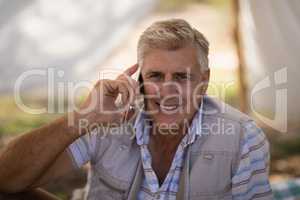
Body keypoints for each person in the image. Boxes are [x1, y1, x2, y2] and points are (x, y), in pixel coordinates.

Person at [0, 19, 272, 200]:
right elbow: (6, 179)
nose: (168, 90)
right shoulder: (106, 120)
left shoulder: (243, 137)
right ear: (139, 78)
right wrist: (83, 117)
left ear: (204, 80)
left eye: (181, 77)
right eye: (155, 76)